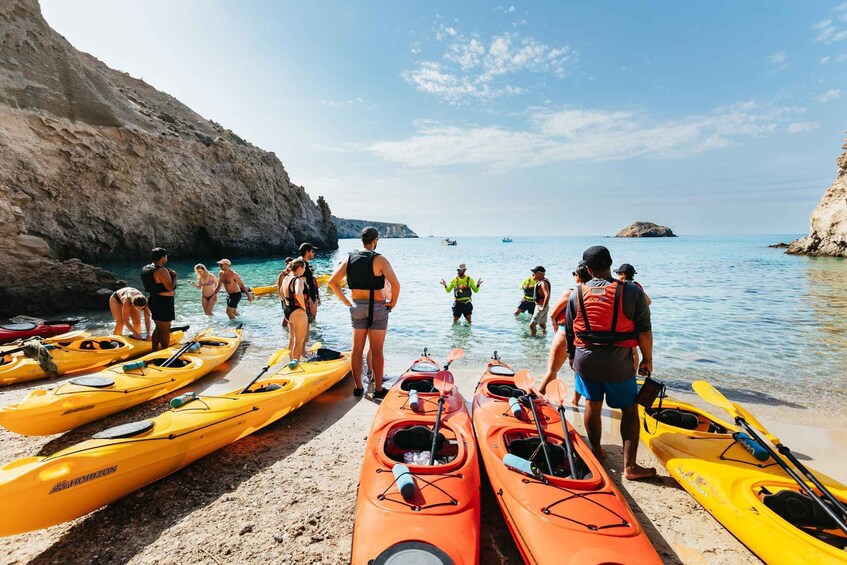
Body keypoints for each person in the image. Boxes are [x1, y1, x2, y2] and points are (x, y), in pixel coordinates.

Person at [564, 245, 656, 480]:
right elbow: (644, 332)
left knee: (592, 404)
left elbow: (570, 333)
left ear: (588, 268)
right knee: (629, 410)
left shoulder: (576, 294)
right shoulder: (632, 292)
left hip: (585, 361)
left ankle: (597, 451)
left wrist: (572, 358)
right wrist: (647, 360)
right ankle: (630, 467)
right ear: (610, 263)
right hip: (618, 363)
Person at [328, 226, 400, 399]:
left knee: (357, 349)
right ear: (375, 241)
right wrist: (392, 303)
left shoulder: (349, 258)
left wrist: (346, 302)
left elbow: (332, 282)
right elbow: (396, 285)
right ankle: (379, 389)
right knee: (377, 350)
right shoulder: (380, 259)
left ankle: (358, 387)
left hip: (357, 307)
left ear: (362, 240)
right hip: (377, 307)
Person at [538, 263, 591, 399]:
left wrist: (555, 326)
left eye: (575, 274)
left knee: (552, 370)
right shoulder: (592, 293)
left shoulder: (570, 292)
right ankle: (575, 402)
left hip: (565, 332)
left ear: (578, 277)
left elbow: (553, 314)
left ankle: (536, 399)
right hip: (585, 336)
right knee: (579, 372)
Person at [614, 263, 652, 376]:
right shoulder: (637, 286)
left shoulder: (623, 287)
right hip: (638, 321)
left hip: (629, 322)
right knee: (633, 350)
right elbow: (648, 302)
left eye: (618, 273)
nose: (617, 276)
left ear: (623, 274)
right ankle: (632, 374)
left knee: (632, 350)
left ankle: (631, 374)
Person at [140, 248, 177, 352]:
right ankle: (165, 352)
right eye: (166, 256)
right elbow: (170, 287)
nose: (166, 258)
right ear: (162, 257)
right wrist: (175, 277)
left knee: (159, 327)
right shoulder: (162, 270)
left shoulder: (146, 268)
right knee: (165, 329)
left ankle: (154, 350)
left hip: (153, 300)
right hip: (163, 302)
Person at [281, 258, 309, 363]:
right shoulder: (298, 280)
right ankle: (295, 364)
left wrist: (286, 303)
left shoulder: (286, 278)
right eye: (304, 268)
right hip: (298, 312)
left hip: (288, 310)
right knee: (299, 341)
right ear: (300, 268)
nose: (305, 270)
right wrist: (303, 307)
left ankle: (291, 362)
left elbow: (281, 291)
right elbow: (298, 293)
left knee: (291, 338)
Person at [298, 243, 321, 323]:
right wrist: (310, 299)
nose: (314, 253)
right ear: (307, 252)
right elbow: (301, 282)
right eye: (312, 251)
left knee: (309, 323)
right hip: (307, 299)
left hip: (308, 298)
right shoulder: (302, 265)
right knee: (309, 323)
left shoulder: (302, 263)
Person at [528, 266, 551, 336]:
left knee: (532, 325)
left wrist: (543, 307)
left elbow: (547, 295)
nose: (532, 274)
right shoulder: (540, 281)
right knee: (541, 323)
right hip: (539, 306)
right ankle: (544, 333)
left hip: (541, 307)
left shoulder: (543, 283)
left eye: (534, 272)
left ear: (540, 273)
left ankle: (533, 338)